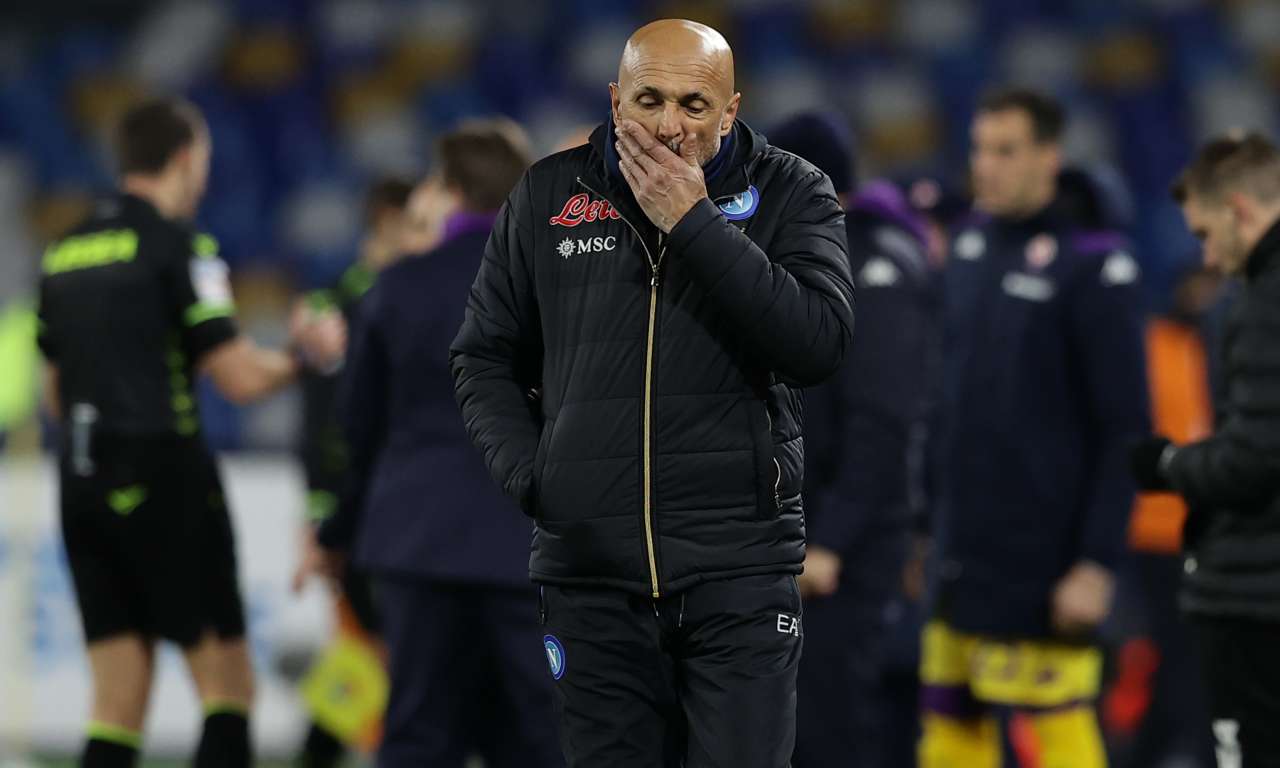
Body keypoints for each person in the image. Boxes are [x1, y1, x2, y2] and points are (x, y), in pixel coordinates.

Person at [450, 19, 854, 767]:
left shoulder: (792, 192)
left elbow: (818, 342)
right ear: (615, 101)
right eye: (649, 100)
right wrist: (538, 478)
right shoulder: (549, 195)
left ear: (731, 111)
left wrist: (694, 222)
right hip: (590, 573)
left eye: (694, 106)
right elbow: (484, 356)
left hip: (740, 569)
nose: (669, 126)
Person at [35, 97, 343, 768]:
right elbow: (239, 378)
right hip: (167, 480)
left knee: (115, 702)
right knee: (226, 686)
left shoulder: (64, 252)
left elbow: (53, 392)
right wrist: (305, 356)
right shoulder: (180, 245)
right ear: (185, 159)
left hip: (83, 486)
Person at [295, 119, 563, 768]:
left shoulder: (398, 287)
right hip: (529, 545)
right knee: (543, 733)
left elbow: (359, 429)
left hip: (416, 545)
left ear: (448, 189)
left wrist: (336, 533)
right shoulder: (560, 285)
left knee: (418, 733)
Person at [919, 87, 1150, 768]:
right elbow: (946, 405)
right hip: (962, 556)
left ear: (1049, 157)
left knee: (1055, 738)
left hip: (1046, 567)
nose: (985, 166)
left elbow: (1125, 430)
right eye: (979, 150)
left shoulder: (1095, 264)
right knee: (949, 732)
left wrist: (1096, 564)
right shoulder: (967, 248)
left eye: (1005, 151)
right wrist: (923, 528)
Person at [769, 112, 937, 768]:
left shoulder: (873, 265)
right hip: (797, 538)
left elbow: (881, 423)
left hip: (846, 549)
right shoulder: (803, 260)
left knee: (833, 727)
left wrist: (831, 542)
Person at [1130, 132, 1280, 766]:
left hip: (1251, 581)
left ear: (1239, 210)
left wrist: (1167, 465)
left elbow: (1254, 452)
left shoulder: (1259, 302)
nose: (1209, 260)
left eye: (1206, 236)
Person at [293, 177, 412, 768]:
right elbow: (320, 422)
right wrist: (323, 515)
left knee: (370, 648)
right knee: (383, 646)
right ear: (388, 221)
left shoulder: (393, 297)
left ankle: (320, 752)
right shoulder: (344, 306)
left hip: (394, 506)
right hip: (368, 509)